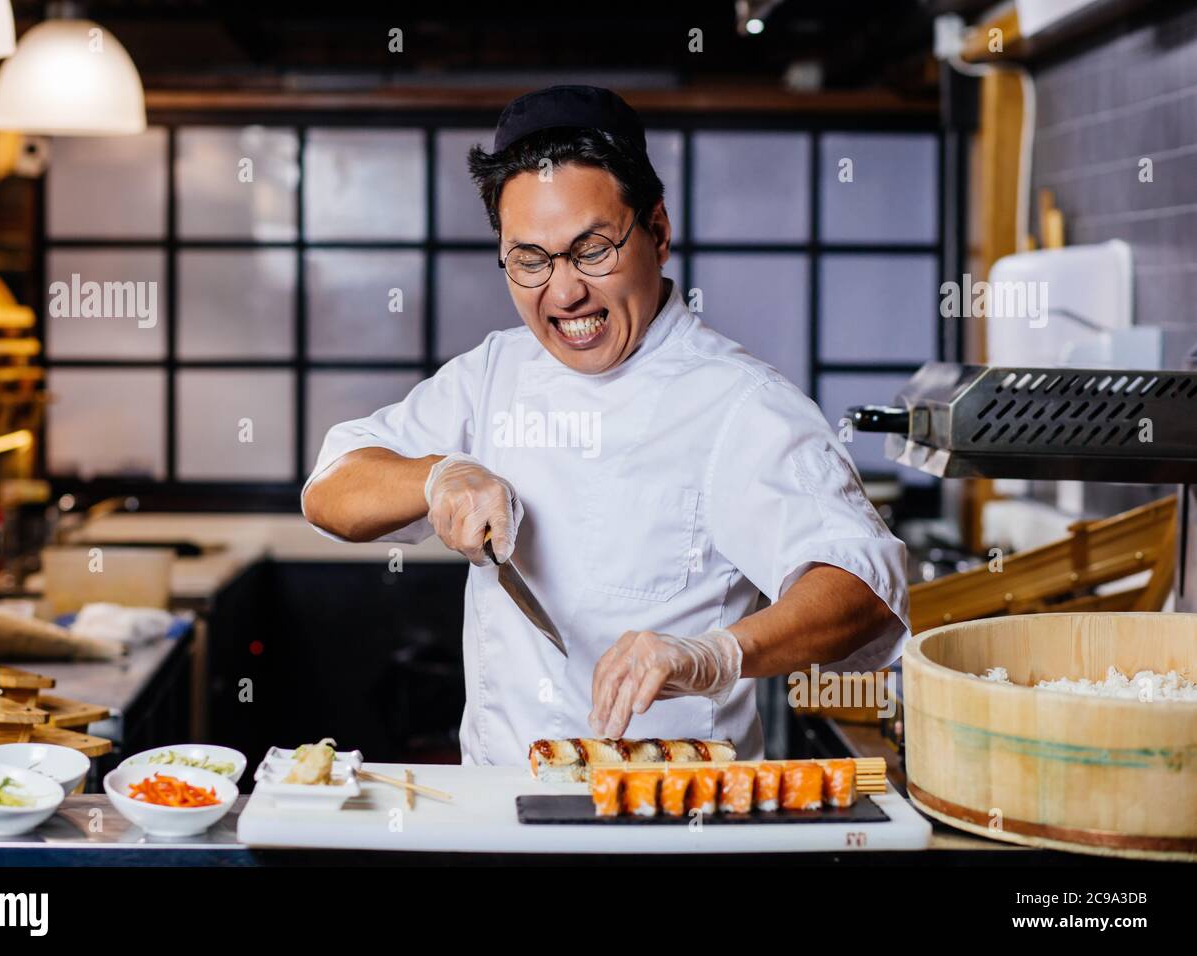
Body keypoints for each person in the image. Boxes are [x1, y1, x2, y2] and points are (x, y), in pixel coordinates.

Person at [303, 85, 909, 765]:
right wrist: (439, 476)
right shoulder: (494, 373)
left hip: (671, 821)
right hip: (500, 809)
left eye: (592, 250)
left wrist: (715, 653)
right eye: (530, 259)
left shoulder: (740, 402)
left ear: (656, 231)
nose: (564, 294)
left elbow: (865, 589)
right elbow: (332, 492)